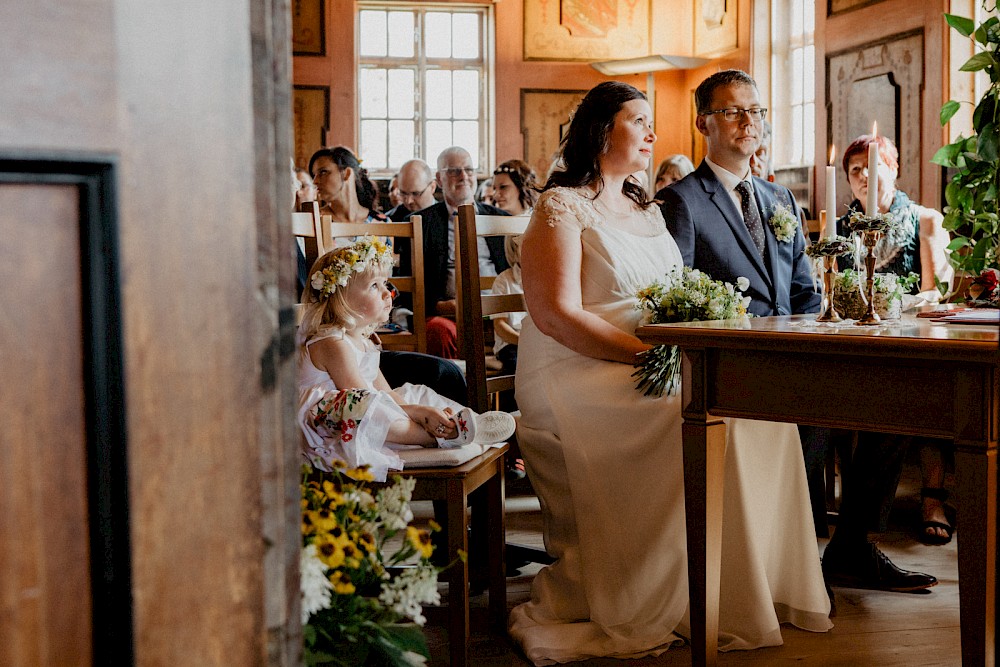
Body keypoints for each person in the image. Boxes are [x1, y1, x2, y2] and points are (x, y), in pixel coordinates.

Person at [508, 80, 831, 664]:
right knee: (694, 411)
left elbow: (672, 291)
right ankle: (666, 594)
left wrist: (691, 333)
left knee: (757, 412)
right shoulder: (559, 207)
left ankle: (738, 590)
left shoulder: (645, 208)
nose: (655, 134)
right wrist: (648, 355)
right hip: (577, 368)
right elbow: (556, 314)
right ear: (604, 131)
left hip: (653, 357)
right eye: (640, 121)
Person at [660, 69, 936, 593]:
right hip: (736, 364)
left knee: (895, 400)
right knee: (815, 417)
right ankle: (799, 566)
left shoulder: (781, 199)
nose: (749, 121)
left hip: (800, 350)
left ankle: (853, 546)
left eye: (756, 111)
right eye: (732, 111)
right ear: (703, 122)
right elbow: (679, 300)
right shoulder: (682, 201)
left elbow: (809, 293)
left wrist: (836, 336)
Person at [296, 237, 515, 482]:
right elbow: (359, 397)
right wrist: (417, 414)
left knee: (414, 393)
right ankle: (438, 434)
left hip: (363, 413)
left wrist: (419, 409)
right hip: (325, 427)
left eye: (384, 283)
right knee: (364, 405)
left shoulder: (363, 341)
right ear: (342, 298)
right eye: (373, 286)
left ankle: (463, 422)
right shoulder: (332, 342)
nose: (386, 292)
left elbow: (386, 393)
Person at [836, 134, 956, 545]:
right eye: (855, 170)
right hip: (854, 343)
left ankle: (933, 498)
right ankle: (851, 515)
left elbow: (936, 292)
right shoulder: (840, 230)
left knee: (919, 389)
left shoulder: (923, 219)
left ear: (894, 168)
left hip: (911, 340)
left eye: (874, 165)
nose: (865, 175)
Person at [411, 146, 509, 359]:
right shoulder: (422, 222)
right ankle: (452, 391)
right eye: (454, 171)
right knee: (438, 331)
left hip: (498, 311)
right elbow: (412, 283)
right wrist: (438, 305)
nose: (463, 176)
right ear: (439, 178)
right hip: (447, 314)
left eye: (469, 169)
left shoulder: (500, 219)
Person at [308, 146, 387, 227]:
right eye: (314, 175)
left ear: (347, 173)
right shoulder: (313, 222)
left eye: (323, 172)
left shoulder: (382, 223)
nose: (315, 181)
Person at [490, 234, 524, 374]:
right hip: (511, 343)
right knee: (518, 366)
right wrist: (523, 341)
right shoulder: (503, 281)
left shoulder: (547, 279)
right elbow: (500, 326)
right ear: (514, 251)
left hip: (540, 343)